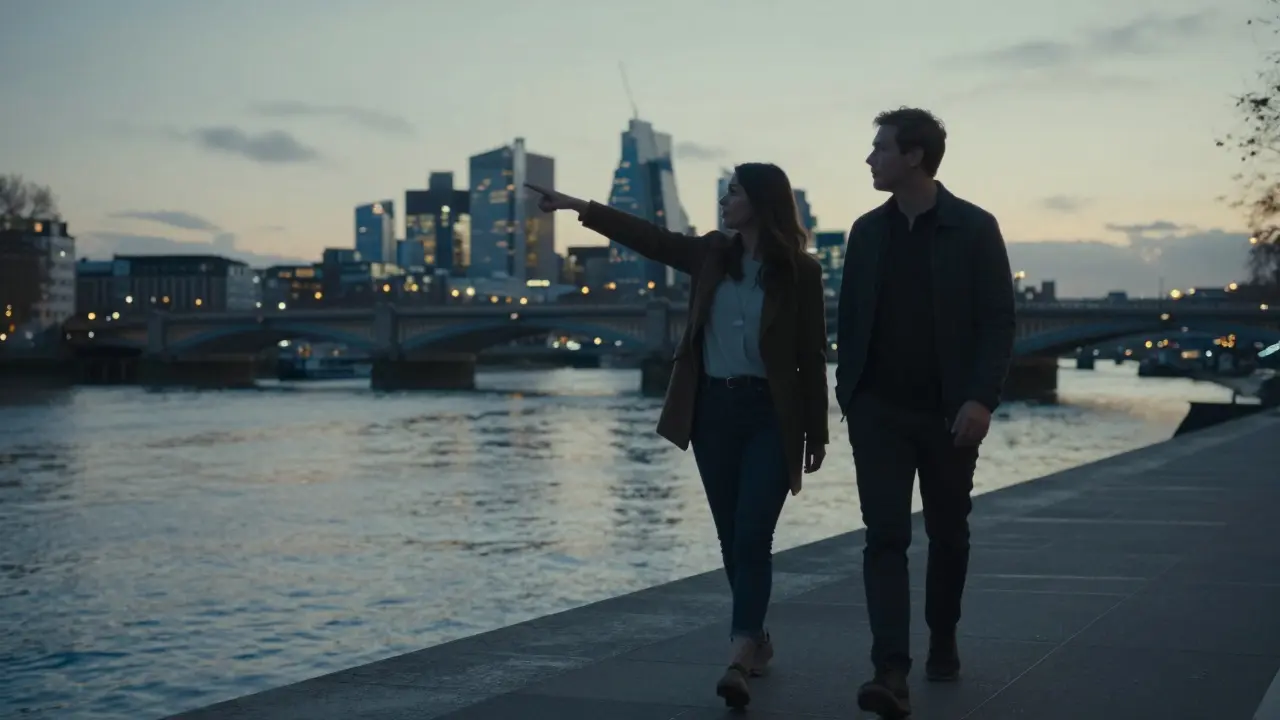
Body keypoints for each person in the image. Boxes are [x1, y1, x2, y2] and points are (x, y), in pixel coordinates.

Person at [526, 163, 830, 709]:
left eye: (733, 191)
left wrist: (817, 433)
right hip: (712, 410)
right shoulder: (713, 254)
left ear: (760, 202)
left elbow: (811, 355)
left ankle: (738, 654)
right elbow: (651, 239)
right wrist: (579, 207)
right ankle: (756, 639)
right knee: (729, 536)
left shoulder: (800, 273)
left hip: (770, 416)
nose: (723, 198)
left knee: (752, 535)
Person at [834, 108, 1016, 719]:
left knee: (948, 532)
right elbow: (852, 319)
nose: (869, 158)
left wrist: (980, 399)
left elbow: (997, 322)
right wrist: (849, 395)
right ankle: (890, 670)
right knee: (884, 538)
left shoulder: (975, 227)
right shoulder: (866, 231)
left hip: (949, 413)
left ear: (914, 156)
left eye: (880, 147)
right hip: (877, 411)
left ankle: (943, 635)